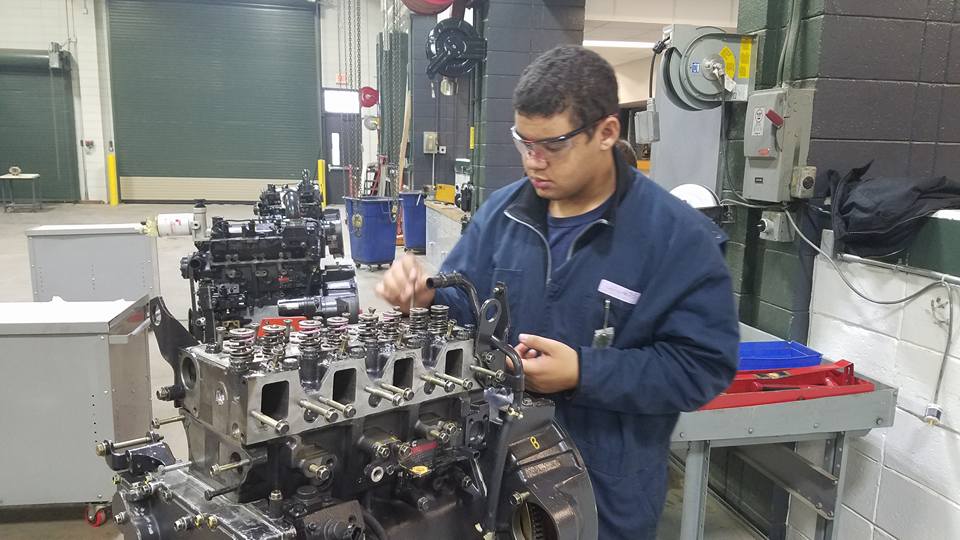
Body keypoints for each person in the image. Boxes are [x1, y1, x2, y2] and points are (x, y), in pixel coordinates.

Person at [376, 45, 739, 539]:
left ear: (607, 132)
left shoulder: (676, 238)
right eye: (524, 143)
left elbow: (702, 367)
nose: (533, 161)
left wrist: (583, 372)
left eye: (552, 145)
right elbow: (466, 305)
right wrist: (427, 295)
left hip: (602, 498)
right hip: (490, 475)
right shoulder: (503, 215)